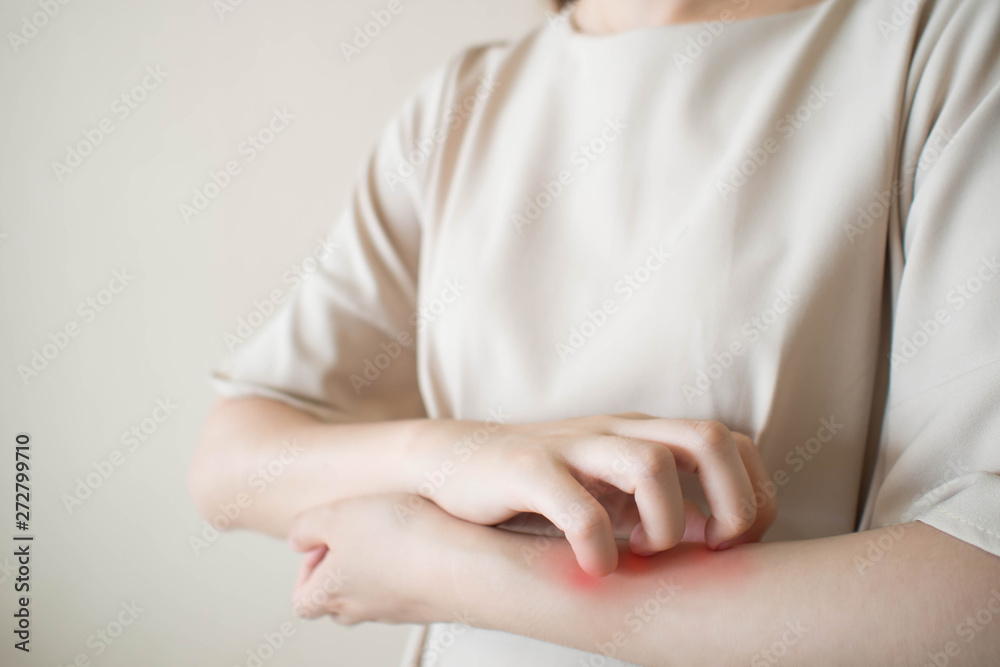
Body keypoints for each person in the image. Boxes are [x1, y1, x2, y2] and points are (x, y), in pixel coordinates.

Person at [189, 0, 1000, 664]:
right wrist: (457, 458)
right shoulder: (460, 103)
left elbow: (977, 587)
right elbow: (231, 461)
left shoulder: (949, 45)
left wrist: (460, 571)